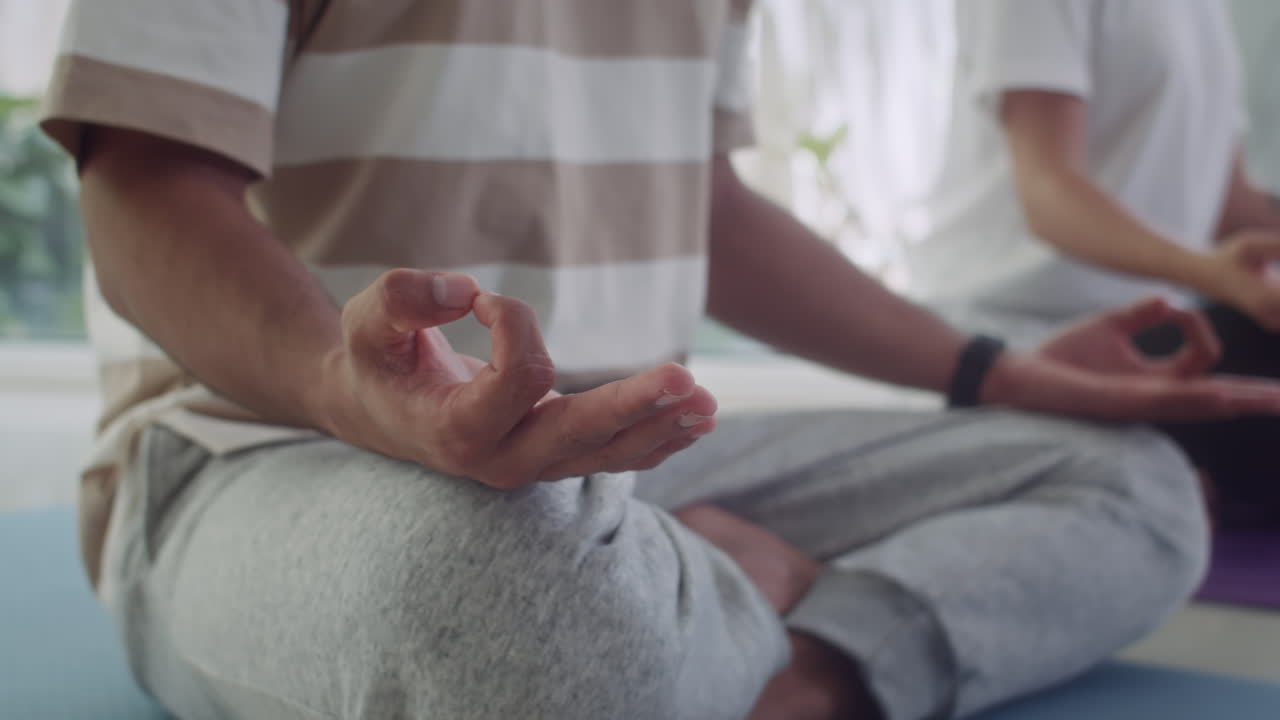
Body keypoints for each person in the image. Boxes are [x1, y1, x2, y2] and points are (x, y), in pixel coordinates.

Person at [40, 2, 1280, 719]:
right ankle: (686, 588)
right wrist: (339, 385)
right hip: (259, 457)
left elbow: (712, 212)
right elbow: (146, 181)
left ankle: (773, 654)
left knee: (1130, 482)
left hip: (633, 467)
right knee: (502, 593)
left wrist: (998, 373)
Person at [911, 0, 1280, 527]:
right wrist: (1209, 273)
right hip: (1031, 335)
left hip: (1166, 327)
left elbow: (1233, 206)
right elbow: (1048, 193)